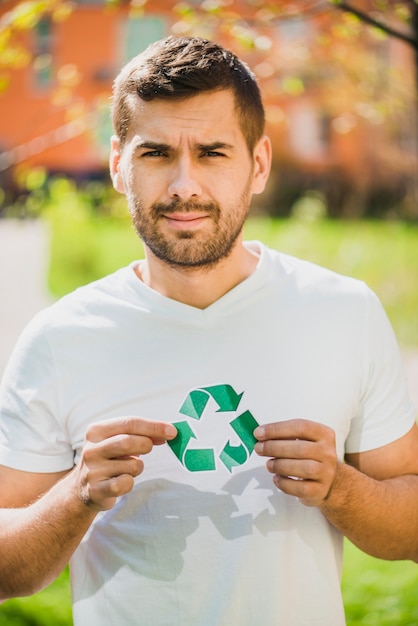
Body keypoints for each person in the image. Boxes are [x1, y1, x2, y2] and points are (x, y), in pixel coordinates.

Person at [0, 35, 417, 626]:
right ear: (119, 164)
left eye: (213, 153)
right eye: (157, 154)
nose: (184, 186)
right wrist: (76, 496)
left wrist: (341, 490)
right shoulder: (60, 337)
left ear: (260, 164)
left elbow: (411, 529)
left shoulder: (343, 312)